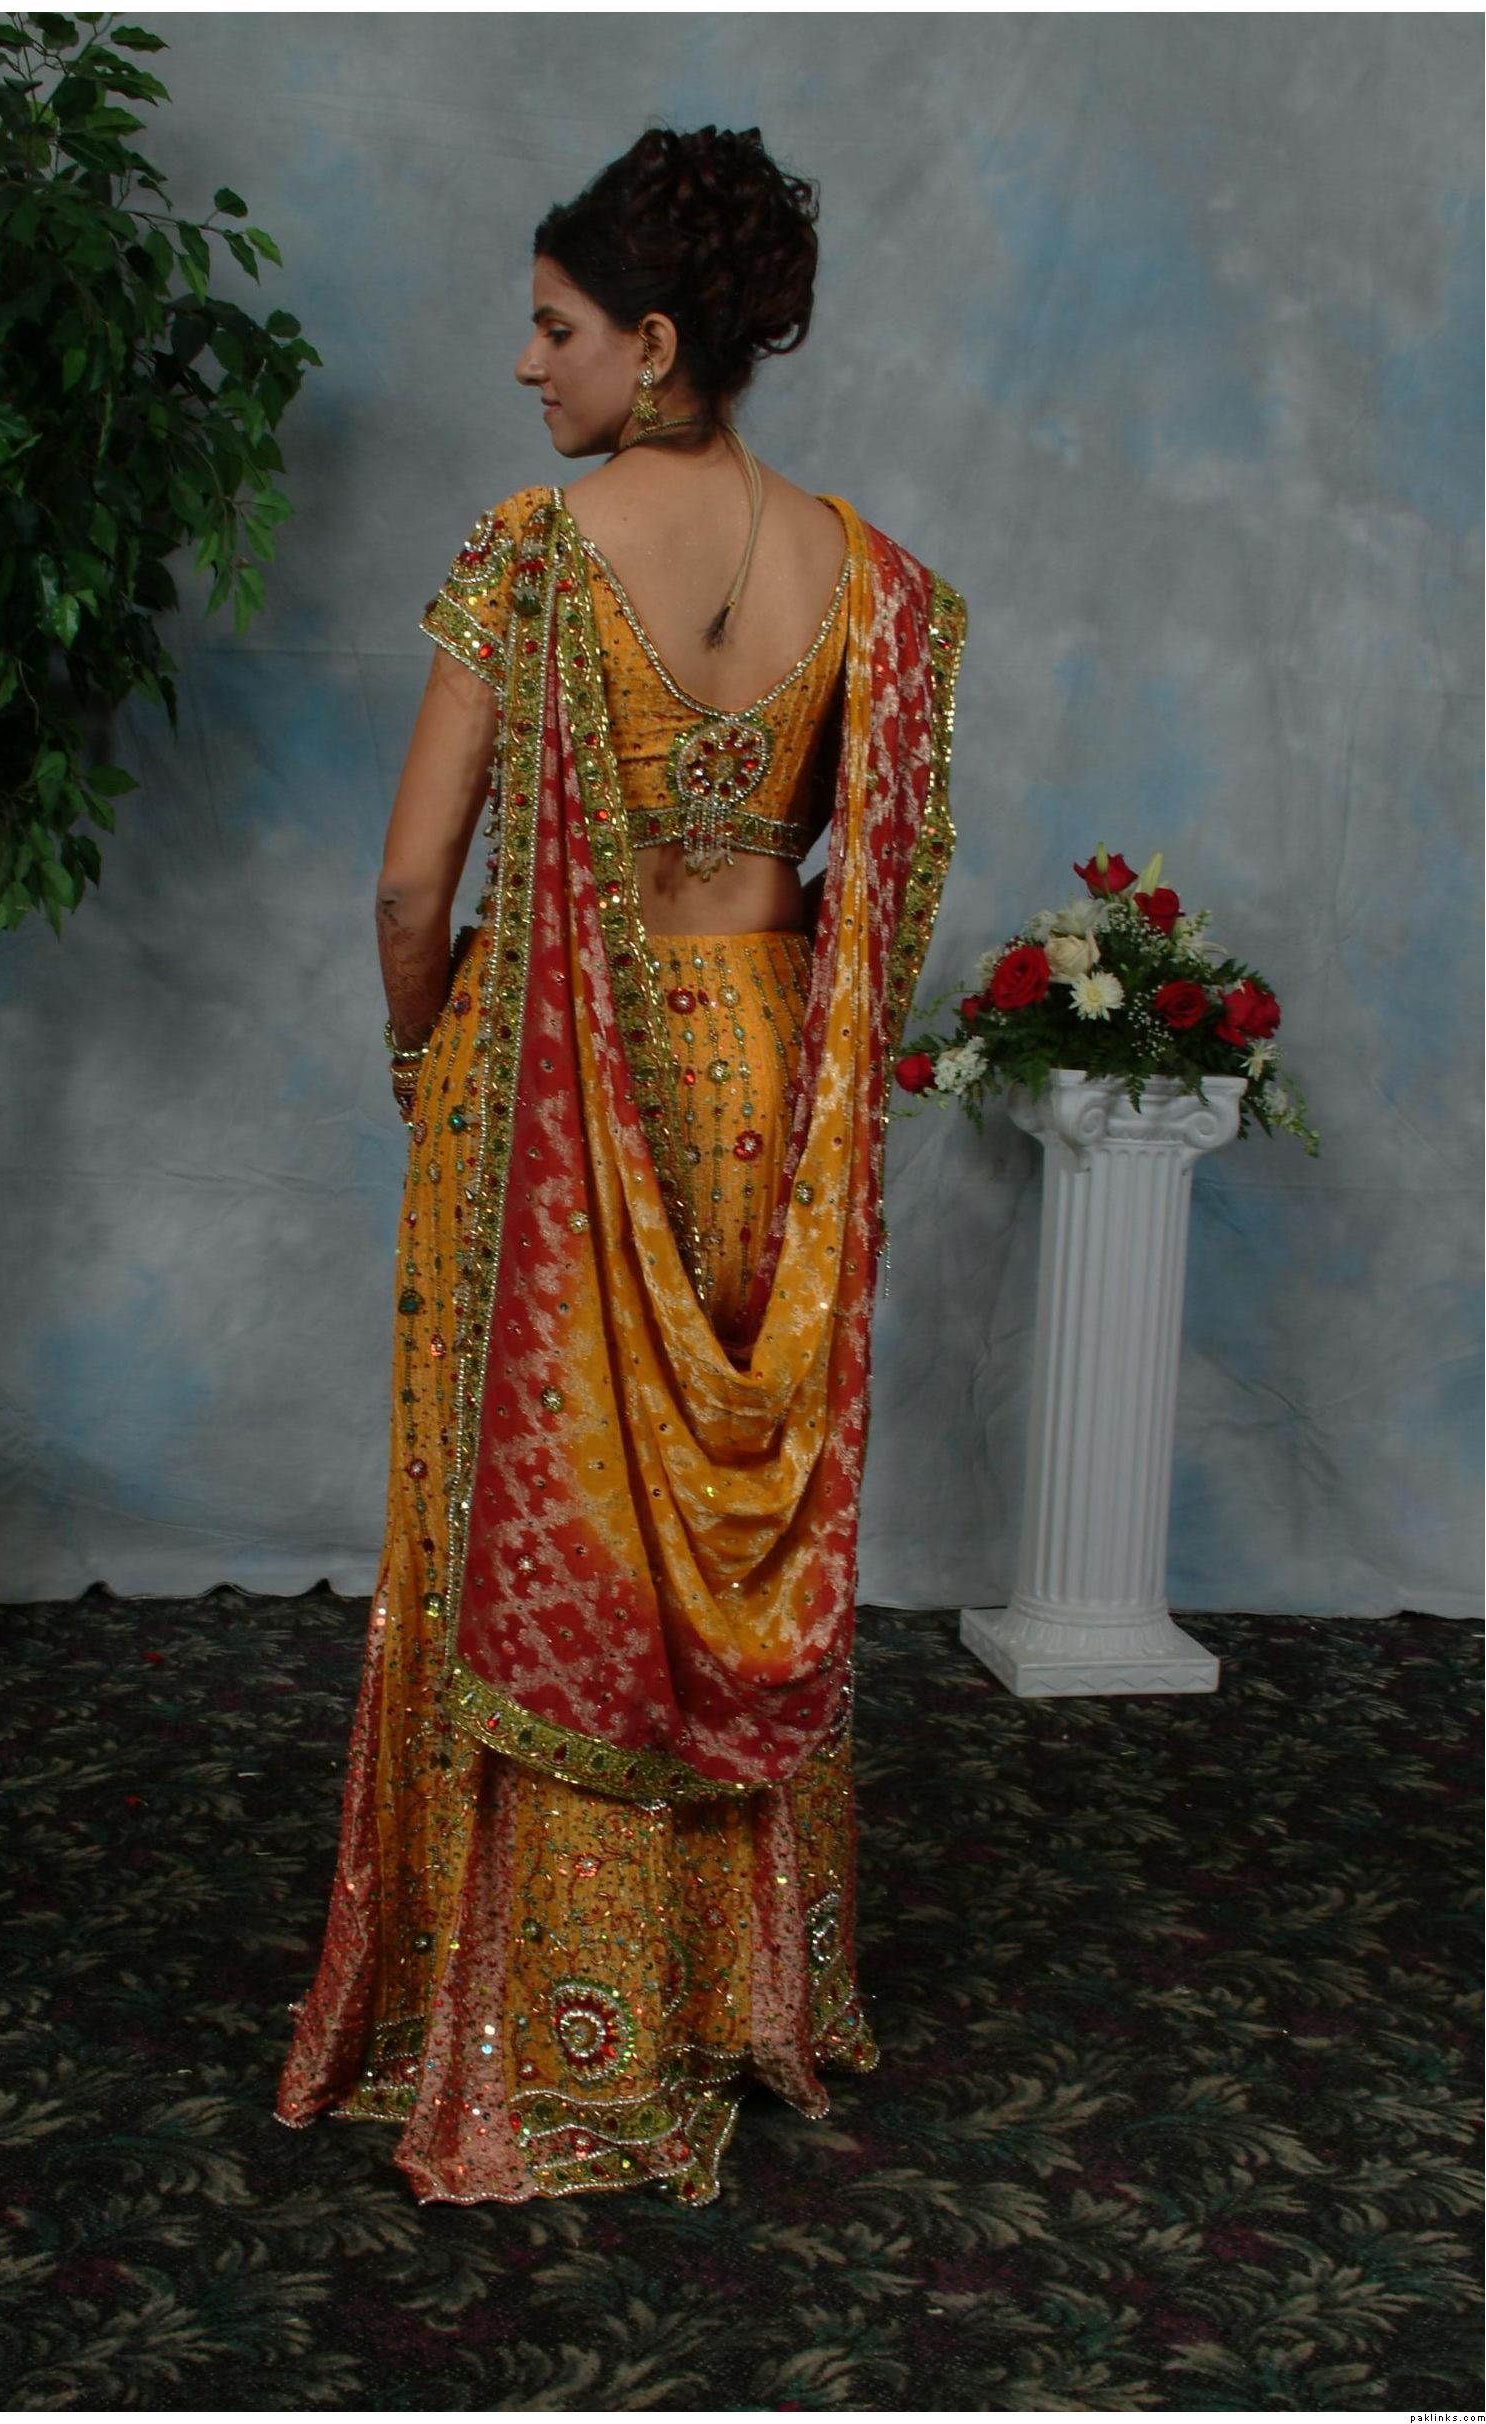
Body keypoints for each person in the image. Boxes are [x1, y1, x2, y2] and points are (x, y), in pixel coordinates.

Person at [276, 124, 967, 2207]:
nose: (526, 363)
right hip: (765, 1074)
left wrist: (423, 1052)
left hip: (560, 1081)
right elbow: (876, 886)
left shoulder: (535, 554)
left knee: (553, 1525)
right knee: (713, 1535)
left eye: (556, 327)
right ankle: (729, 1995)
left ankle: (534, 2019)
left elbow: (413, 886)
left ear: (655, 342)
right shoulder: (872, 580)